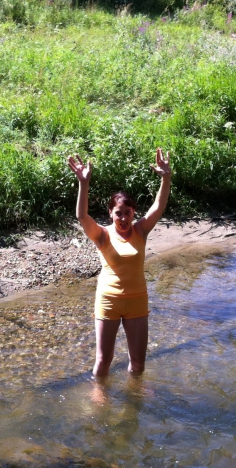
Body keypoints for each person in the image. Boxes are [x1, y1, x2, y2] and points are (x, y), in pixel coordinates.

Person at [67, 148, 172, 376]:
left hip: (137, 301)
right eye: (118, 213)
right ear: (110, 214)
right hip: (108, 301)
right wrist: (83, 183)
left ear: (134, 212)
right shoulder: (102, 234)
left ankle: (134, 400)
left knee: (138, 365)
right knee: (104, 362)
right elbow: (82, 217)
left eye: (127, 212)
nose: (123, 218)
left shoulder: (141, 230)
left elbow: (158, 205)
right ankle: (99, 396)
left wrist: (166, 177)